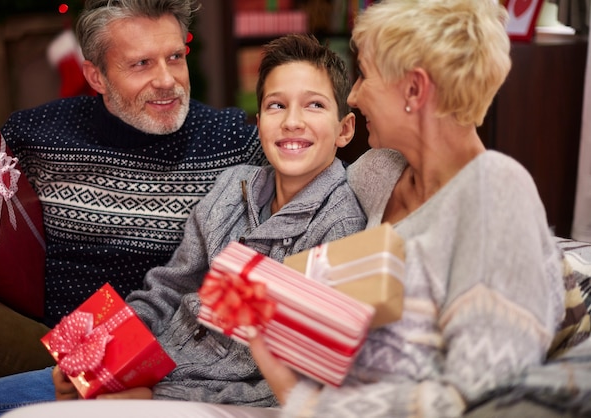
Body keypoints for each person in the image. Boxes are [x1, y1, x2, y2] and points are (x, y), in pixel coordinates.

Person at [0, 33, 366, 417]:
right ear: (259, 122)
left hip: (203, 396)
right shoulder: (234, 184)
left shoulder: (340, 224)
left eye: (314, 105)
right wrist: (96, 356)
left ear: (345, 129)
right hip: (151, 367)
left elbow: (291, 380)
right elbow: (168, 288)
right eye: (278, 106)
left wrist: (153, 396)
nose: (293, 121)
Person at [243, 1, 569, 417]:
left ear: (414, 90)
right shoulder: (376, 172)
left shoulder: (496, 189)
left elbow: (484, 394)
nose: (355, 96)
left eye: (364, 74)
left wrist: (306, 402)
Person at [0, 0, 267, 384]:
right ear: (96, 76)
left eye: (175, 57)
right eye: (141, 64)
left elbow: (316, 184)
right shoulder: (36, 134)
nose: (166, 80)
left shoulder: (232, 142)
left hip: (158, 358)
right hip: (48, 344)